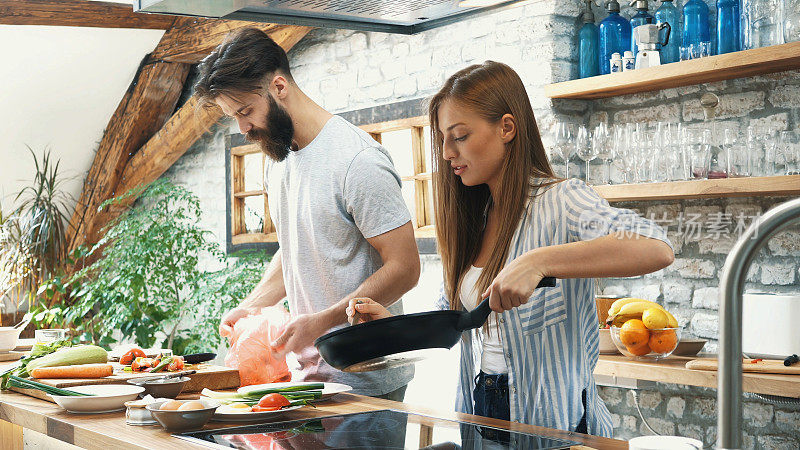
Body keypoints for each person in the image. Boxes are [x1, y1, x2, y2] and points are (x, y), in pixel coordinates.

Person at [347, 61, 674, 435]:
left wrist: (539, 261)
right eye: (442, 139)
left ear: (506, 127)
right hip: (480, 408)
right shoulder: (475, 219)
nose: (446, 153)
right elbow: (452, 324)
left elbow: (655, 246)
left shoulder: (563, 200)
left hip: (556, 420)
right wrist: (391, 325)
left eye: (460, 136)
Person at [195, 28, 420, 400]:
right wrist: (252, 306)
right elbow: (298, 249)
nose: (243, 128)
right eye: (234, 116)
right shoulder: (279, 160)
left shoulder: (357, 160)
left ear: (279, 86)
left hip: (366, 380)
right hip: (308, 379)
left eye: (246, 111)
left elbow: (406, 267)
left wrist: (321, 322)